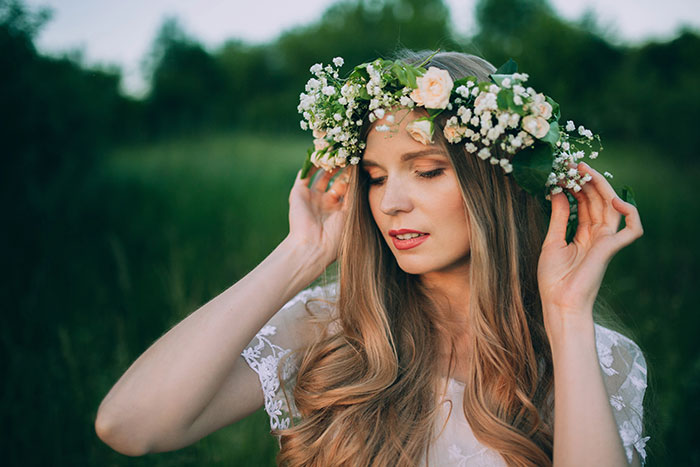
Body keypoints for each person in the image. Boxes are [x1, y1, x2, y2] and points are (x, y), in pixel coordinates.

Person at [95, 50, 650, 466]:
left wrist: (568, 315)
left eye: (428, 170)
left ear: (497, 186)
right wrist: (300, 254)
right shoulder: (329, 328)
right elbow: (131, 427)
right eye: (376, 177)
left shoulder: (598, 357)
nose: (389, 202)